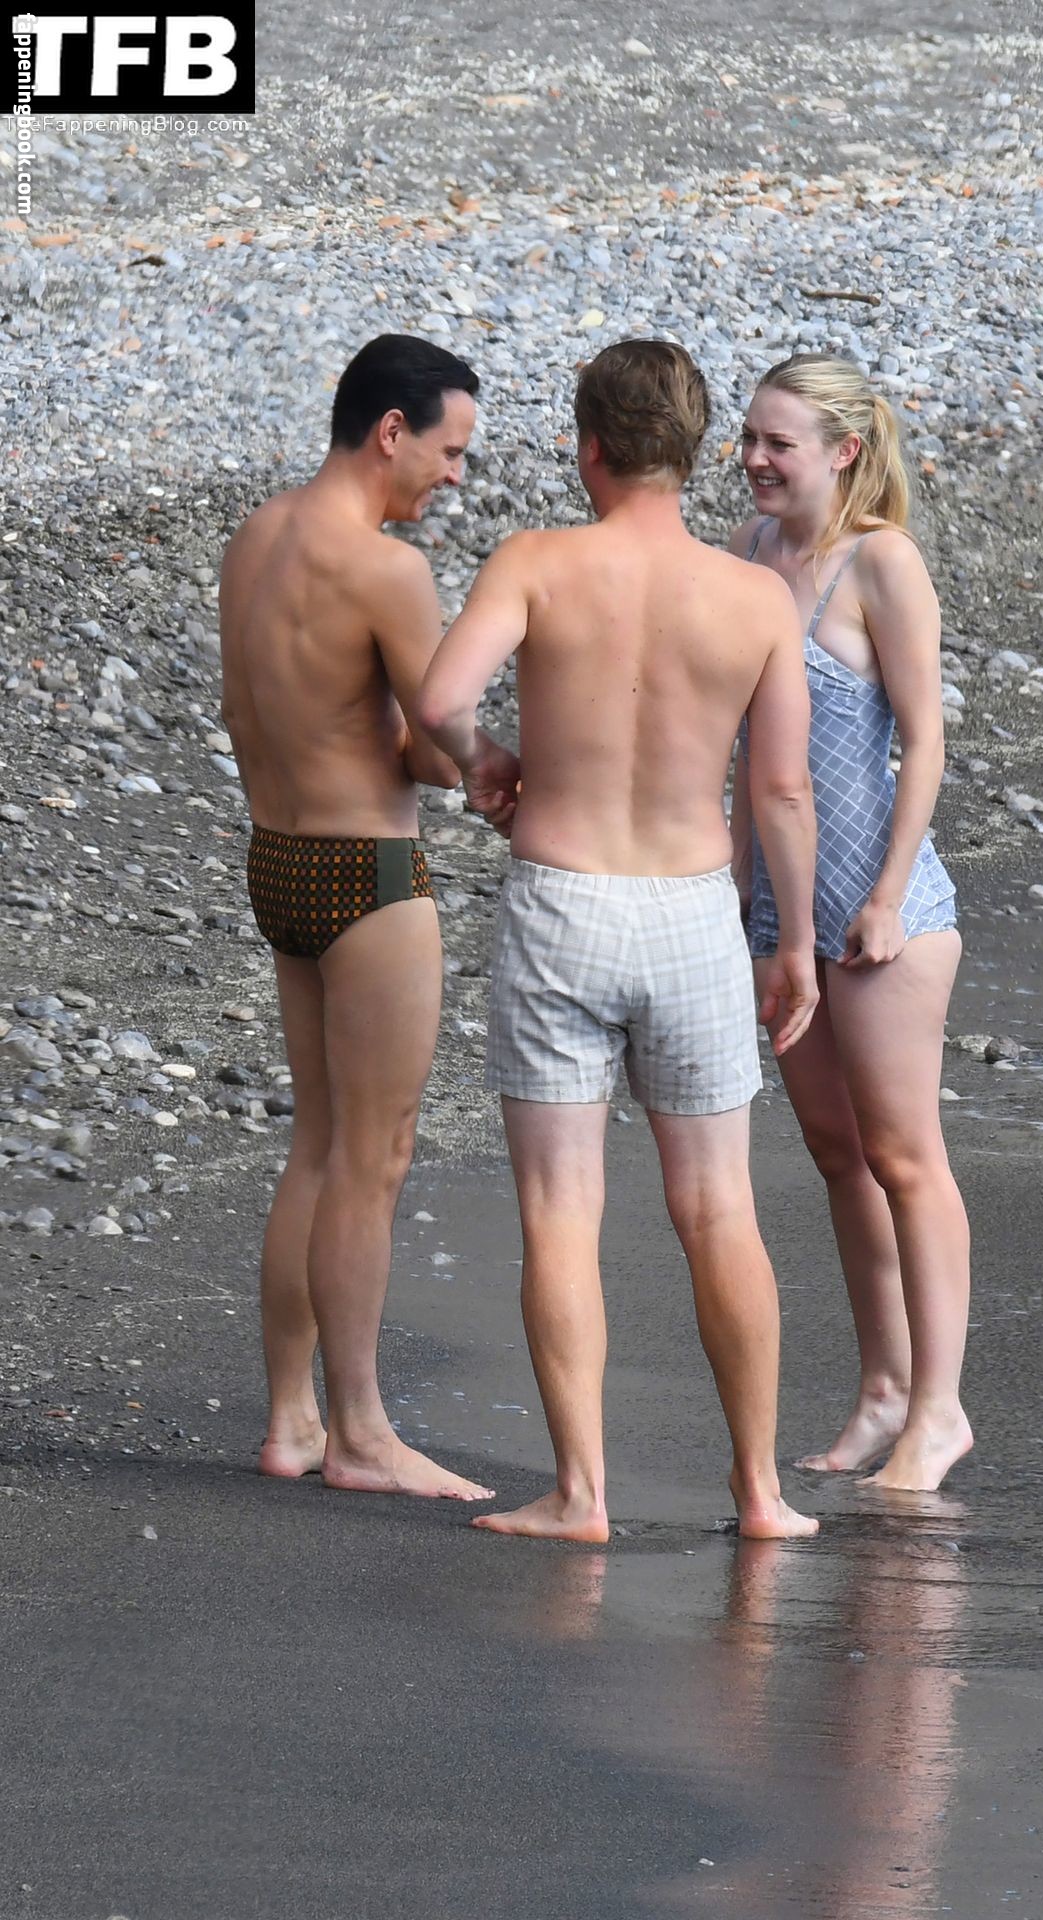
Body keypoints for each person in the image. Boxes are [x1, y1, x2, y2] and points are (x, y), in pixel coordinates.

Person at [419, 338, 821, 1543]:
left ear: (586, 445)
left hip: (564, 900)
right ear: (694, 454)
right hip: (692, 910)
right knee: (719, 1208)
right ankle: (759, 1492)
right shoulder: (754, 597)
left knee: (560, 1208)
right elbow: (781, 790)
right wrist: (791, 940)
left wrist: (484, 763)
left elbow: (439, 700)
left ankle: (581, 1494)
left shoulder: (536, 563)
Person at [218, 333, 496, 1502]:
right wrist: (489, 762)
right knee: (372, 1161)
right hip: (366, 875)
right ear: (391, 432)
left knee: (317, 1145)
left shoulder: (257, 536)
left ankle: (293, 1419)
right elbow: (435, 743)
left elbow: (274, 709)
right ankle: (364, 1433)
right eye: (450, 451)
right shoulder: (386, 570)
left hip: (278, 860)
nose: (455, 476)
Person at [731, 353, 972, 1494]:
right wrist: (738, 889)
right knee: (837, 1154)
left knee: (904, 1157)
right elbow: (749, 752)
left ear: (842, 450)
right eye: (746, 438)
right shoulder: (749, 552)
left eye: (776, 443)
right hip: (782, 910)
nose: (752, 459)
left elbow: (923, 740)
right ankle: (883, 1389)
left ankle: (939, 1410)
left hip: (887, 913)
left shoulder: (882, 561)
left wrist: (882, 896)